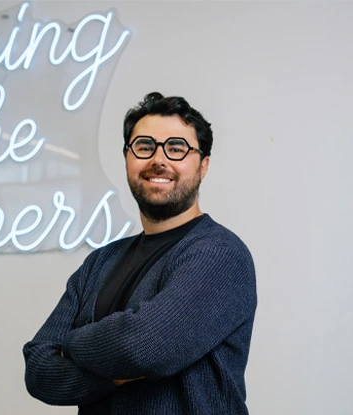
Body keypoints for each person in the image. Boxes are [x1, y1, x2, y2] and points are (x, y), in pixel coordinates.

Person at [23, 92, 257, 414]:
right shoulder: (100, 262)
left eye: (177, 148)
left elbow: (144, 347)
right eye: (145, 146)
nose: (159, 159)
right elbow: (38, 369)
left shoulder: (220, 255)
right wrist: (113, 377)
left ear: (203, 165)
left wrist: (72, 342)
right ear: (127, 158)